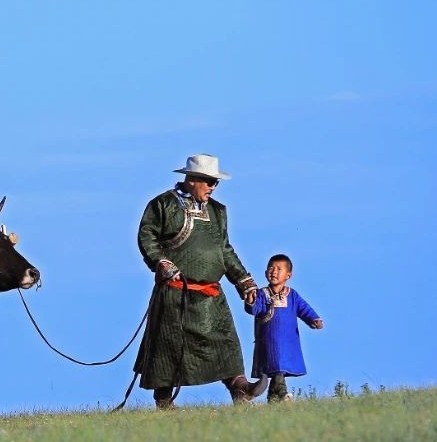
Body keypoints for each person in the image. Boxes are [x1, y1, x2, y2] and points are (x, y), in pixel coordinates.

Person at [135, 154, 266, 409]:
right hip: (175, 293)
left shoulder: (218, 211)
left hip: (211, 295)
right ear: (192, 179)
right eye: (208, 182)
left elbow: (224, 250)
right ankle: (163, 400)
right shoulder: (162, 205)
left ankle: (240, 388)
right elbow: (147, 236)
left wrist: (244, 281)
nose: (213, 187)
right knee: (169, 348)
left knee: (225, 341)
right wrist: (161, 262)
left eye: (215, 183)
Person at [245, 254, 324, 403]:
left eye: (279, 269)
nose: (273, 272)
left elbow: (304, 309)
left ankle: (275, 397)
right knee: (276, 367)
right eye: (270, 268)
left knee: (280, 366)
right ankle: (281, 394)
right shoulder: (262, 294)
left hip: (288, 342)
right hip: (267, 341)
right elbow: (255, 309)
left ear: (288, 275)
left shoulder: (292, 295)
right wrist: (250, 301)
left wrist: (314, 319)